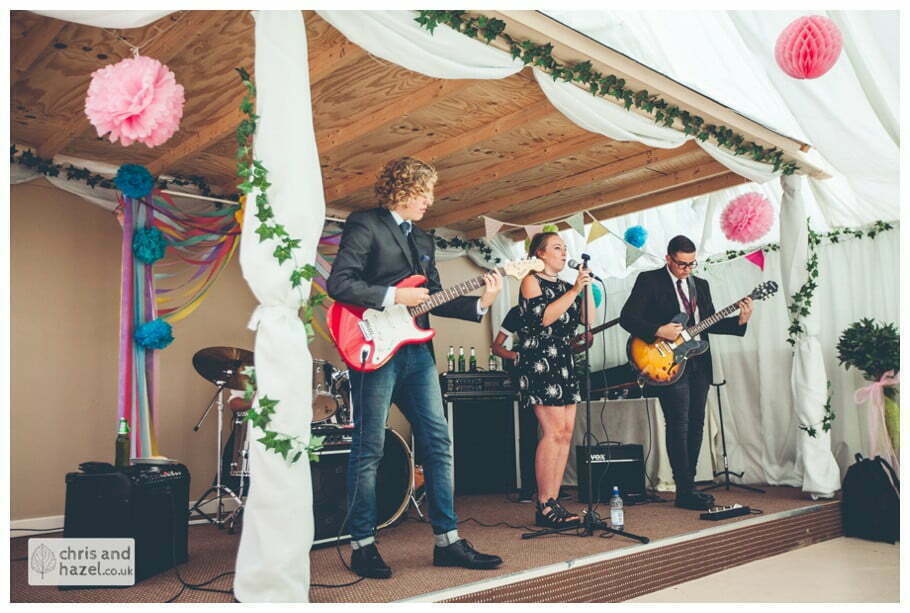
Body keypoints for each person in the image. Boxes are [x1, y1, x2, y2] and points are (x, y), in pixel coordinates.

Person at [326, 157, 504, 579]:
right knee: (369, 447)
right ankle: (362, 545)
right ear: (402, 189)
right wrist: (394, 296)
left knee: (438, 441)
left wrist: (482, 302)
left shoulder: (424, 239)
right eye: (423, 192)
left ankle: (447, 541)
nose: (429, 200)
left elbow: (434, 297)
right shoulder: (366, 223)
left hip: (417, 351)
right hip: (373, 345)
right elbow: (340, 284)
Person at [619, 235, 752, 511]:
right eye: (681, 264)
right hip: (666, 362)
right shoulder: (650, 280)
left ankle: (688, 485)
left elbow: (709, 323)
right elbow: (627, 317)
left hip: (698, 362)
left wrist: (740, 321)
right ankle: (684, 489)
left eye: (692, 264)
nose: (687, 269)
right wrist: (659, 330)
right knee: (678, 423)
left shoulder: (700, 285)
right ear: (668, 258)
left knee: (696, 423)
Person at [516, 232, 595, 528]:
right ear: (540, 253)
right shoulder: (531, 280)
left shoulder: (565, 286)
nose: (564, 253)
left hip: (563, 360)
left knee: (565, 432)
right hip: (540, 360)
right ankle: (544, 503)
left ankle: (554, 500)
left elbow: (588, 319)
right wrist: (574, 290)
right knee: (552, 431)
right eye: (557, 248)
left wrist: (585, 287)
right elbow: (544, 318)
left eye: (565, 248)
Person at [491, 305, 536, 503]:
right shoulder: (518, 312)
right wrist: (517, 356)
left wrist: (583, 344)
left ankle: (553, 488)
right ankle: (527, 488)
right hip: (528, 379)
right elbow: (497, 347)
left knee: (555, 434)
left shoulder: (562, 308)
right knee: (529, 432)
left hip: (556, 378)